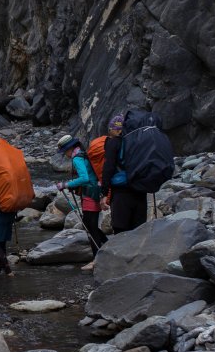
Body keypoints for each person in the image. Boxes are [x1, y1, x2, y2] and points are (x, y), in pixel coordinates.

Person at [54, 135, 108, 270]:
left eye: (64, 151)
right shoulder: (83, 153)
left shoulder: (77, 158)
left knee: (90, 226)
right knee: (90, 224)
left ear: (69, 148)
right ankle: (106, 247)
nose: (65, 155)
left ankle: (97, 258)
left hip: (90, 194)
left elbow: (84, 178)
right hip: (95, 191)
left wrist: (66, 184)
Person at [100, 114, 148, 233]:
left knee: (121, 231)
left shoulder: (114, 143)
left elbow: (108, 168)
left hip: (122, 193)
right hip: (140, 191)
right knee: (138, 231)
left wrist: (104, 193)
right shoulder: (138, 141)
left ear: (113, 130)